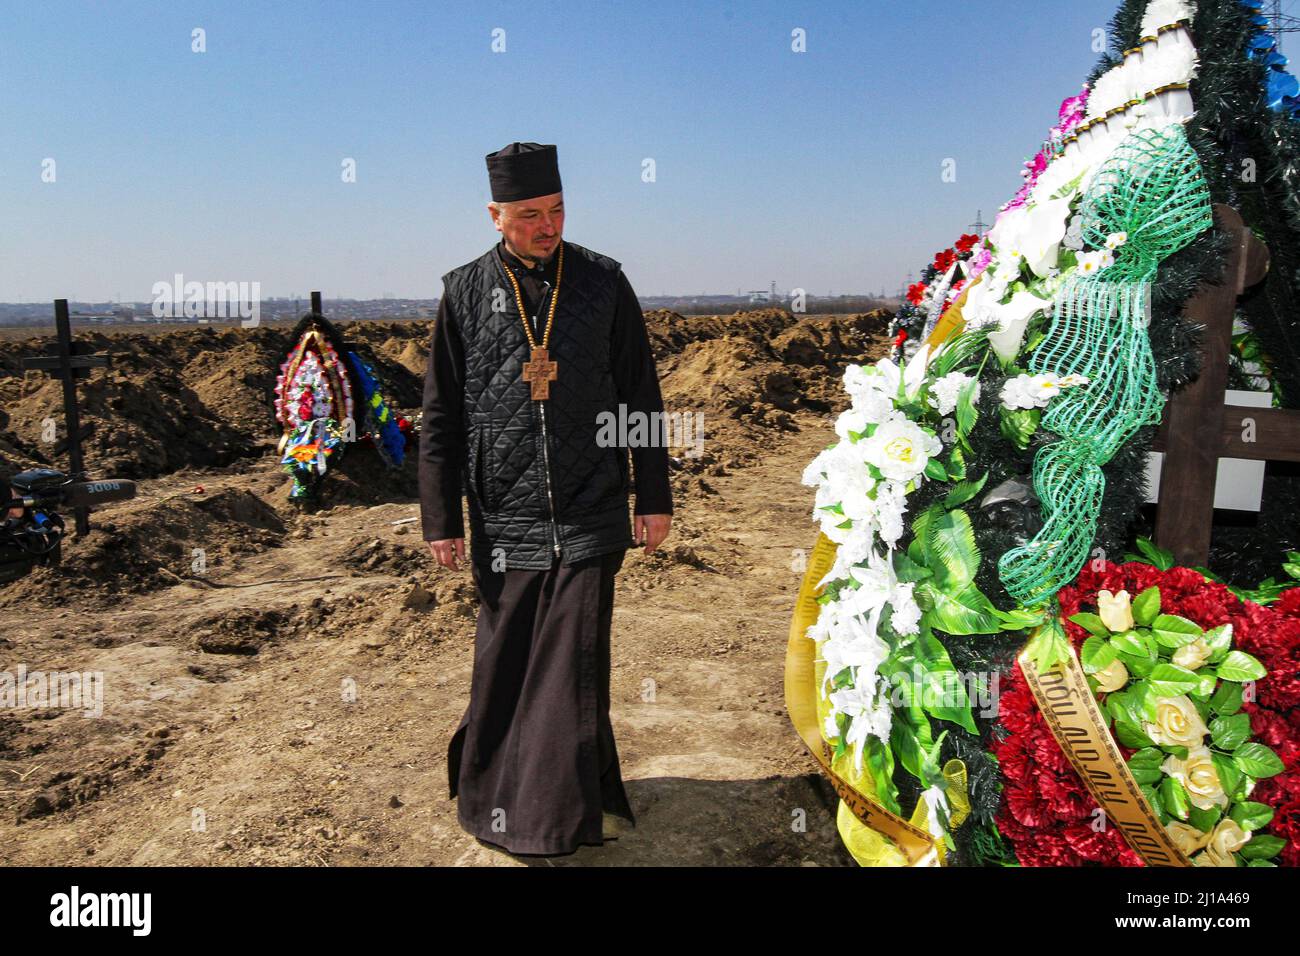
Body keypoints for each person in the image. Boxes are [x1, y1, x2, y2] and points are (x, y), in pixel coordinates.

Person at [419, 141, 674, 856]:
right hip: (503, 514)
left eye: (557, 210)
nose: (547, 225)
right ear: (495, 215)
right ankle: (501, 795)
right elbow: (439, 417)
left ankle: (552, 822)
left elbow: (641, 397)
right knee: (503, 663)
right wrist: (442, 518)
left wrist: (653, 496)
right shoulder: (465, 292)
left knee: (571, 664)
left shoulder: (601, 282)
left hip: (592, 507)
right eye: (530, 214)